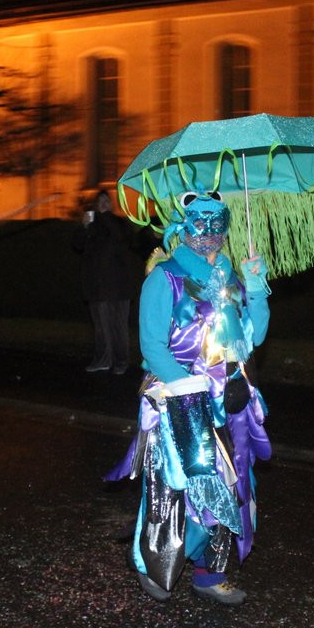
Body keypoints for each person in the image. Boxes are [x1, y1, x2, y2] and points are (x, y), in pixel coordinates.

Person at [105, 190, 271, 605]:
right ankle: (156, 566)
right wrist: (190, 391)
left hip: (229, 398)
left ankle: (209, 574)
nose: (210, 233)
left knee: (231, 487)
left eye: (218, 223)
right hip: (178, 396)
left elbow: (254, 339)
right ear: (185, 223)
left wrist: (256, 288)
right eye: (201, 222)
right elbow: (153, 347)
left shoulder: (230, 279)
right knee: (182, 487)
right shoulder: (165, 278)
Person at [72, 189, 134, 374]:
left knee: (119, 326)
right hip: (97, 288)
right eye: (100, 201)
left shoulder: (120, 224)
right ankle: (103, 360)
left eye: (107, 200)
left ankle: (121, 362)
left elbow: (120, 237)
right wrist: (84, 226)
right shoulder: (92, 226)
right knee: (101, 327)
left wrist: (106, 215)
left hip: (119, 287)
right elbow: (77, 244)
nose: (104, 203)